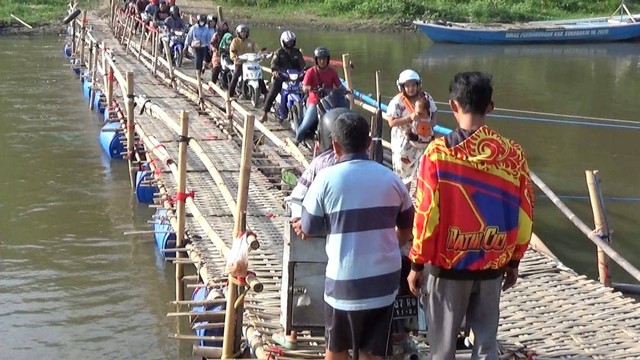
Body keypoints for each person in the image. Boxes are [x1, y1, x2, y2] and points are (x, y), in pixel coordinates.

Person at [406, 72, 534, 360]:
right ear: (490, 106)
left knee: (442, 349)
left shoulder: (438, 154)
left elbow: (426, 215)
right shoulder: (513, 154)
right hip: (493, 263)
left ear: (453, 105)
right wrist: (514, 260)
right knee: (487, 345)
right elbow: (525, 214)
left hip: (448, 266)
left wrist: (416, 263)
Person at [295, 112, 415, 360]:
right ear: (369, 143)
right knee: (373, 352)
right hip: (384, 282)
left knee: (337, 349)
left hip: (344, 284)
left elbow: (308, 226)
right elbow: (407, 226)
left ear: (335, 145)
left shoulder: (325, 179)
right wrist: (389, 245)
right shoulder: (393, 179)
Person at [385, 69, 438, 191]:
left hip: (423, 140)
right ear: (402, 87)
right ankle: (403, 200)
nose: (411, 88)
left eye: (413, 85)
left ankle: (421, 200)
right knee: (403, 176)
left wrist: (431, 123)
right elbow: (391, 122)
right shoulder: (397, 101)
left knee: (424, 171)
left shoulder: (426, 98)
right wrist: (409, 118)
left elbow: (435, 112)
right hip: (404, 144)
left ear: (418, 85)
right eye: (407, 86)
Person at [295, 47, 347, 145]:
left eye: (324, 59)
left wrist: (345, 90)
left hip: (329, 101)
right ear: (316, 60)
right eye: (320, 59)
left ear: (328, 59)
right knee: (306, 124)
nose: (322, 61)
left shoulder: (332, 72)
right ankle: (297, 140)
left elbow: (339, 85)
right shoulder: (311, 72)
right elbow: (304, 85)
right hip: (314, 101)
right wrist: (307, 88)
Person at [259, 30, 306, 123]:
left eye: (291, 41)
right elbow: (274, 64)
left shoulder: (297, 53)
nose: (289, 43)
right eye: (288, 42)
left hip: (296, 76)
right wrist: (275, 71)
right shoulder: (278, 53)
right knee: (274, 89)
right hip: (282, 75)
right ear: (283, 41)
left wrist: (304, 70)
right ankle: (264, 112)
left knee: (307, 88)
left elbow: (302, 64)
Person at [227, 24, 267, 99]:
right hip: (240, 63)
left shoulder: (250, 41)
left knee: (259, 75)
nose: (244, 34)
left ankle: (265, 94)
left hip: (250, 63)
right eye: (242, 32)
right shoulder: (235, 41)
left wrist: (261, 54)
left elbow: (257, 49)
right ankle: (230, 95)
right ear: (238, 33)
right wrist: (234, 57)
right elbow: (232, 51)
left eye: (245, 32)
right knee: (235, 76)